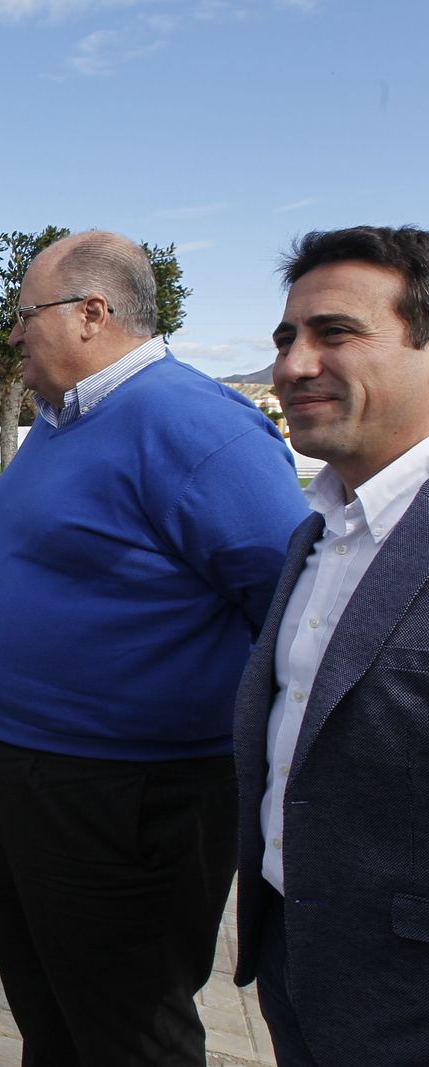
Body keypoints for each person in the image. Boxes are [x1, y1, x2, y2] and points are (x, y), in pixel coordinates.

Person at [0, 230, 310, 1066]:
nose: (12, 334)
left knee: (128, 1027)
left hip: (119, 798)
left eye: (23, 315)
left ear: (91, 313)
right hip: (18, 766)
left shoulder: (196, 427)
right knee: (50, 1005)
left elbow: (292, 613)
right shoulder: (62, 420)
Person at [233, 225, 429, 1066]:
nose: (293, 364)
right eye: (286, 338)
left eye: (335, 333)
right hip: (292, 962)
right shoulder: (315, 535)